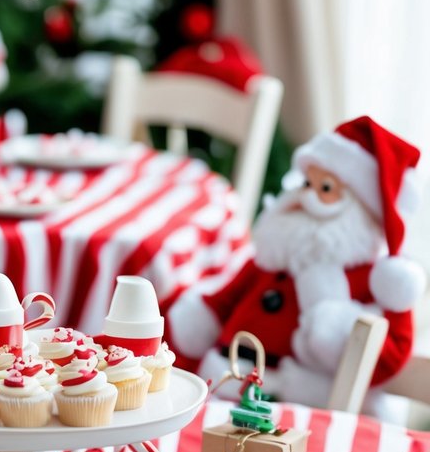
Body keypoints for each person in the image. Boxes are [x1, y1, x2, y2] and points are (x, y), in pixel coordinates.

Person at [170, 117, 425, 407]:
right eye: (306, 182)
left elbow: (391, 355)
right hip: (222, 381)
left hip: (286, 408)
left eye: (325, 188)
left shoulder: (377, 281)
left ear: (361, 207)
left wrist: (337, 327)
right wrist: (203, 314)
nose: (305, 197)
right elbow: (227, 299)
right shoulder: (275, 255)